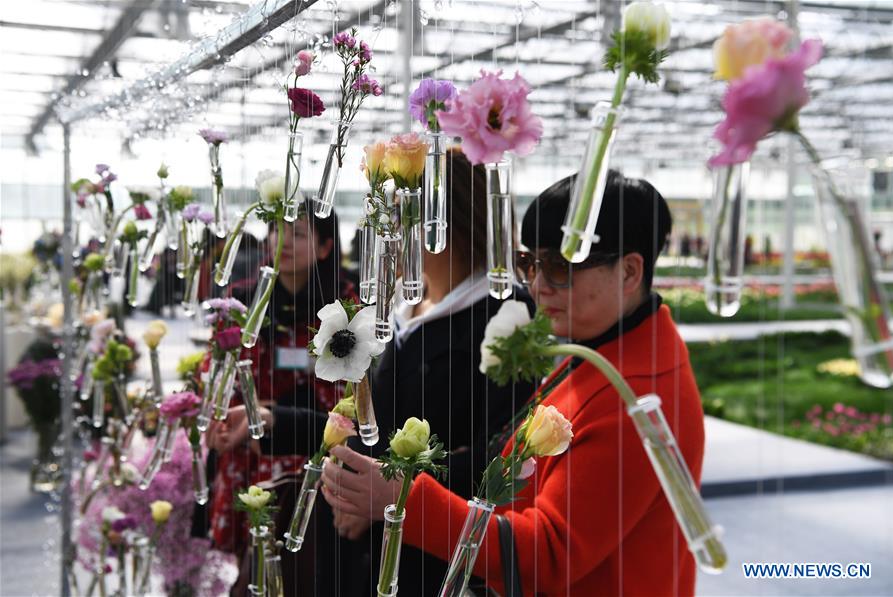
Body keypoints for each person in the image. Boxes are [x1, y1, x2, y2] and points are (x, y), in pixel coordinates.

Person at [321, 171, 706, 596]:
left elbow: (547, 555)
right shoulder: (600, 356)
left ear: (630, 272)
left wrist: (404, 501)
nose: (539, 285)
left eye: (560, 267)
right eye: (530, 264)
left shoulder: (636, 397)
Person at [209, 149, 536, 595]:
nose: (386, 237)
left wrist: (385, 497)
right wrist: (273, 421)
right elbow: (371, 429)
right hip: (357, 557)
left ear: (445, 224)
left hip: (433, 567)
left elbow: (502, 461)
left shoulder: (504, 318)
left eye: (398, 221)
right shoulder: (397, 311)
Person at [204, 203, 354, 562]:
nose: (282, 240)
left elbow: (350, 398)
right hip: (248, 454)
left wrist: (270, 414)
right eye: (276, 230)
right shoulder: (243, 301)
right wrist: (220, 419)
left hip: (315, 455)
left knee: (308, 563)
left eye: (298, 233)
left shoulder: (346, 307)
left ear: (325, 246)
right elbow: (218, 373)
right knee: (251, 563)